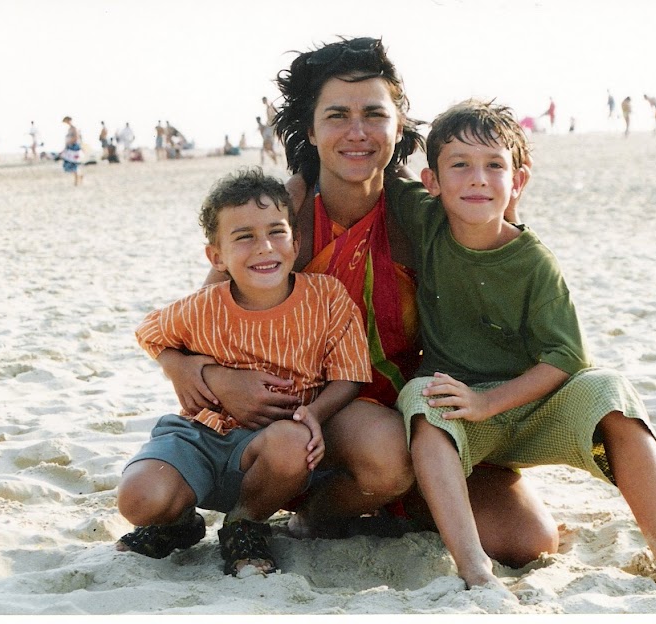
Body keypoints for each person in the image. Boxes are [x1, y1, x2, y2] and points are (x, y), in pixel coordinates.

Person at [160, 38, 552, 569]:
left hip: (415, 415)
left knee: (527, 540)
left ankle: (363, 501)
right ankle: (295, 510)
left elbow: (508, 281)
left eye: (374, 114)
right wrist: (197, 370)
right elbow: (197, 319)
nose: (357, 132)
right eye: (337, 115)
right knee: (383, 457)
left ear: (399, 124)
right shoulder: (284, 216)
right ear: (310, 128)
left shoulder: (423, 215)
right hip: (298, 414)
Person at [389, 99, 656, 592]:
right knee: (424, 396)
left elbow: (566, 357)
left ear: (517, 181)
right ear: (431, 181)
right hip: (459, 413)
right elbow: (374, 164)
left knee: (611, 390)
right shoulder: (426, 218)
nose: (478, 179)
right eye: (460, 165)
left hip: (529, 409)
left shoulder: (534, 262)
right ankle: (475, 569)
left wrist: (490, 402)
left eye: (494, 165)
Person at [116, 168, 371, 576]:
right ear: (216, 257)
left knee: (294, 442)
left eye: (276, 232)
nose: (264, 247)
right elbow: (150, 332)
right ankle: (179, 524)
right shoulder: (204, 305)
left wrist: (315, 413)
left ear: (296, 242)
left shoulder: (326, 297)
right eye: (244, 237)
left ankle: (244, 523)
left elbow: (350, 374)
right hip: (201, 434)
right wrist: (180, 365)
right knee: (138, 499)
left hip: (272, 448)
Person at [60, 116, 84, 185]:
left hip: (73, 147)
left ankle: (76, 181)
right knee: (70, 164)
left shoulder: (74, 128)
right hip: (70, 147)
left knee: (73, 164)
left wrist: (69, 142)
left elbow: (76, 138)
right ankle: (79, 177)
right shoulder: (70, 129)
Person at [259, 96, 280, 165]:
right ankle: (274, 160)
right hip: (270, 127)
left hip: (271, 127)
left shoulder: (269, 107)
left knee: (267, 147)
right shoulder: (270, 106)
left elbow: (271, 117)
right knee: (267, 148)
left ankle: (274, 160)